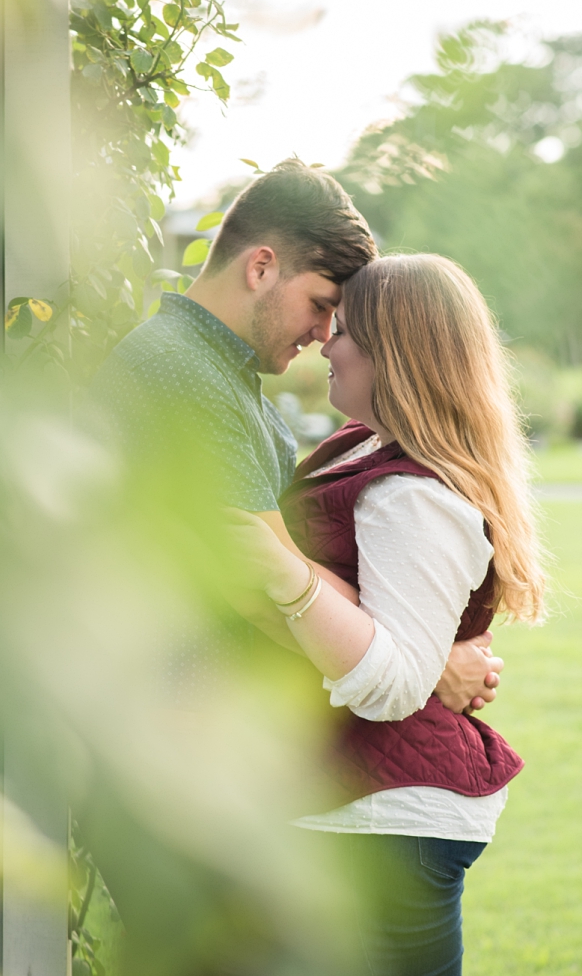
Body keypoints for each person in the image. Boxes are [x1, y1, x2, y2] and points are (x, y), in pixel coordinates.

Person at [229, 253, 545, 972]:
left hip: (384, 823)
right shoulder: (364, 446)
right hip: (355, 807)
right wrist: (437, 660)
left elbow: (394, 681)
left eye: (342, 328)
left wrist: (277, 565)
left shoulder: (415, 496)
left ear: (393, 350)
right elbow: (393, 636)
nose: (324, 342)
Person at [93, 158, 502, 711]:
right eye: (320, 305)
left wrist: (419, 649)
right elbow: (262, 591)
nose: (323, 334)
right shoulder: (185, 373)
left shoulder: (219, 373)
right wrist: (427, 665)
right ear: (260, 267)